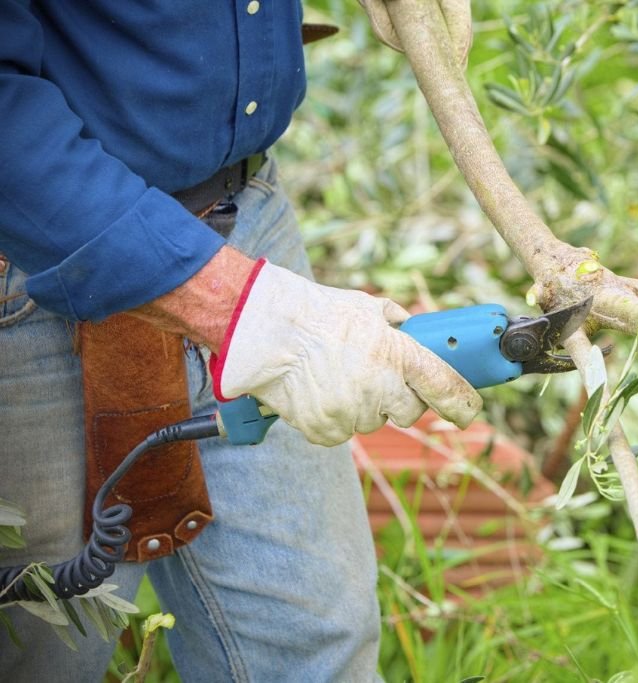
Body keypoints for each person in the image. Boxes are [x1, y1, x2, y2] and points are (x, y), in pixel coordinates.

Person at [0, 1, 478, 680]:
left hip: (243, 208)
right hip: (29, 262)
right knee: (37, 656)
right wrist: (244, 312)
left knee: (318, 648)